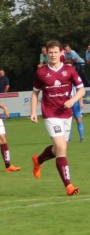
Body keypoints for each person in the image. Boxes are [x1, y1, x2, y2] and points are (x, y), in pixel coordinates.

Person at [31, 40, 85, 196]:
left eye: (56, 52)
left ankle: (38, 160)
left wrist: (72, 100)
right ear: (46, 54)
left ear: (61, 53)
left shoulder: (69, 70)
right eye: (50, 52)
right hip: (50, 113)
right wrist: (33, 111)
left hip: (66, 114)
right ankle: (68, 185)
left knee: (57, 148)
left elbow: (81, 90)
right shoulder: (41, 73)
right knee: (62, 148)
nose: (53, 55)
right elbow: (35, 92)